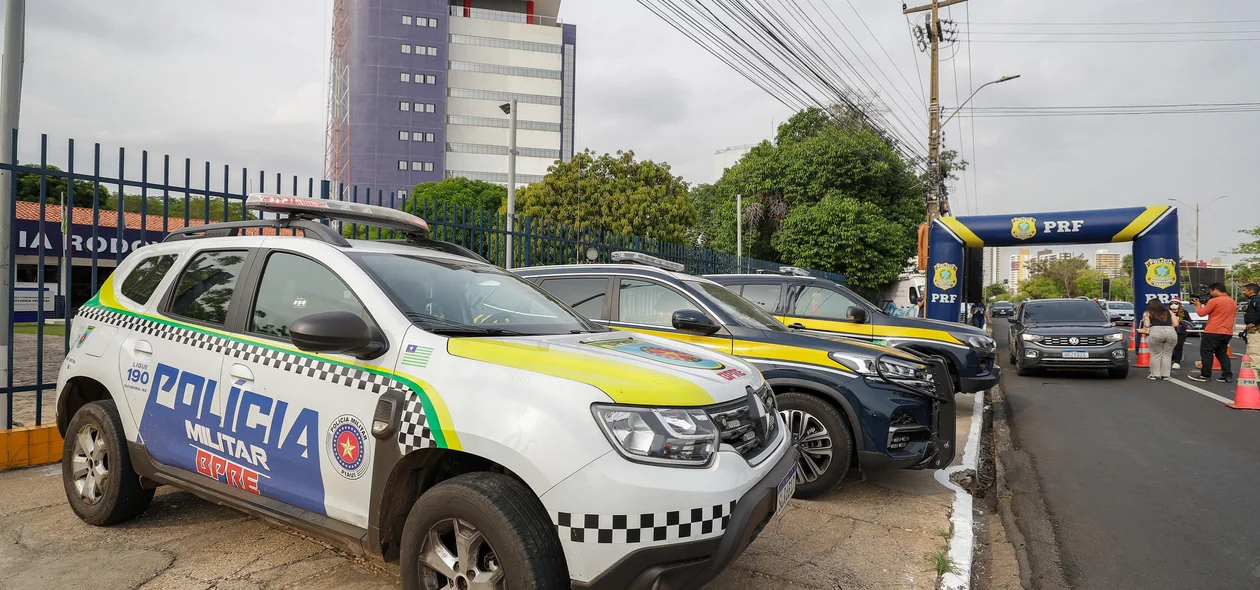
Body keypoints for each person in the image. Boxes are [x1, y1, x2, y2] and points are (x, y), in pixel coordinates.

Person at [1187, 283, 1238, 383]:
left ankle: (1205, 375)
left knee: (1207, 353)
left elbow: (1201, 313)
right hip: (1227, 331)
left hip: (1213, 331)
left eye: (1210, 291)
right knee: (1222, 353)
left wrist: (1198, 306)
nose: (1210, 293)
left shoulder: (1214, 301)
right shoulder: (1232, 301)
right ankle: (1227, 375)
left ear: (1215, 290)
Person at [1139, 299, 1178, 380]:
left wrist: (1145, 320)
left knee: (1155, 354)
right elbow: (1176, 323)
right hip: (1171, 332)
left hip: (1156, 332)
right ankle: (1166, 375)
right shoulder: (1169, 312)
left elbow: (1147, 325)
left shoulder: (1147, 312)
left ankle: (1155, 374)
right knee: (1167, 354)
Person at [1168, 299, 1190, 370]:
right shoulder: (1166, 313)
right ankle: (1167, 360)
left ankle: (1177, 362)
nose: (1173, 305)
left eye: (1175, 303)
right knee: (1168, 346)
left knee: (1179, 346)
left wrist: (1186, 324)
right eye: (1171, 303)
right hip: (1168, 332)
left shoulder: (1184, 313)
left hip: (1180, 332)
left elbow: (1189, 322)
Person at [1243, 283, 1260, 371]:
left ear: (1251, 291)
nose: (1243, 292)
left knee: (1254, 352)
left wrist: (1254, 322)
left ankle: (1255, 375)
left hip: (1255, 330)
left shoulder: (1256, 301)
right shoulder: (1253, 301)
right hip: (1252, 330)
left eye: (1245, 290)